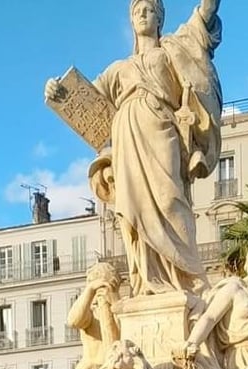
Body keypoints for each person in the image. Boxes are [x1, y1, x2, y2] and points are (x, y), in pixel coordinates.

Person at [45, 0, 223, 296]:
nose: (142, 13)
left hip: (161, 129)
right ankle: (146, 282)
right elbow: (85, 99)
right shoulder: (118, 68)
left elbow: (201, 23)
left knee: (170, 201)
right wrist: (56, 89)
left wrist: (207, 6)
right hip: (126, 133)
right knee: (131, 215)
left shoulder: (172, 49)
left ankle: (187, 279)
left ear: (160, 18)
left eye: (149, 9)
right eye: (136, 9)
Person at [45, 263, 122, 369]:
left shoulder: (120, 310)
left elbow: (120, 338)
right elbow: (73, 320)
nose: (100, 290)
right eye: (94, 284)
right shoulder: (89, 314)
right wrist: (90, 291)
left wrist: (112, 301)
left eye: (105, 284)